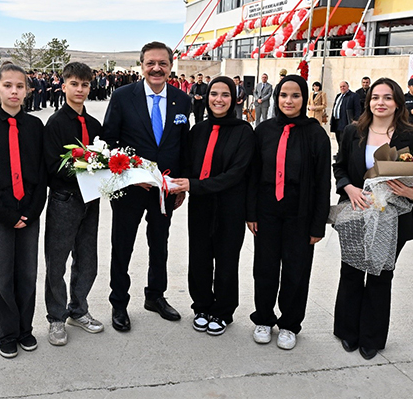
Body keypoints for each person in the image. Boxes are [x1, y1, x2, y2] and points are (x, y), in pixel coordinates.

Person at [333, 77, 413, 361]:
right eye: (375, 97)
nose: (380, 103)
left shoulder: (412, 136)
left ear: (397, 102)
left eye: (387, 97)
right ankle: (347, 330)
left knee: (381, 275)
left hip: (393, 217)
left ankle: (372, 338)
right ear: (368, 101)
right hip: (356, 212)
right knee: (351, 272)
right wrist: (348, 188)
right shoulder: (353, 131)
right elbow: (340, 167)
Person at [101, 41, 190, 332]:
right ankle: (119, 303)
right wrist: (129, 175)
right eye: (150, 63)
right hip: (130, 189)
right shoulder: (122, 96)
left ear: (171, 66)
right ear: (141, 65)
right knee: (122, 246)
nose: (156, 68)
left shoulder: (182, 100)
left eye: (162, 63)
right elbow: (109, 141)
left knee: (160, 245)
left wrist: (181, 184)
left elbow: (183, 144)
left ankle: (155, 296)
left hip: (165, 190)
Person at [247, 75, 331, 350]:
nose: (289, 101)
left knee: (296, 271)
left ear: (304, 99)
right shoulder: (264, 131)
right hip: (267, 212)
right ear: (276, 98)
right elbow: (253, 175)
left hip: (300, 214)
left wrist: (318, 225)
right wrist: (251, 213)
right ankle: (263, 318)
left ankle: (289, 324)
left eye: (295, 96)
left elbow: (323, 182)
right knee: (265, 268)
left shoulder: (316, 134)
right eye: (284, 95)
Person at [170, 76, 255, 336]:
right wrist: (180, 185)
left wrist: (194, 185)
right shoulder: (198, 130)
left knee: (227, 259)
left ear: (234, 98)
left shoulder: (244, 131)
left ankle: (223, 311)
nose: (219, 99)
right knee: (199, 257)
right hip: (201, 205)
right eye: (214, 94)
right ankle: (202, 306)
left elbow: (236, 173)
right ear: (206, 98)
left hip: (230, 206)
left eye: (225, 94)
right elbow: (188, 164)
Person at [0, 64, 46, 358]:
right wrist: (6, 214)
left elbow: (42, 173)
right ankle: (6, 332)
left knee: (27, 273)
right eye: (8, 86)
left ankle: (25, 329)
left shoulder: (35, 127)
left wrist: (32, 211)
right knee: (3, 273)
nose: (14, 91)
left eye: (19, 86)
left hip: (28, 211)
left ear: (27, 90)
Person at [44, 62, 104, 347]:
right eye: (74, 84)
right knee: (57, 262)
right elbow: (51, 166)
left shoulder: (94, 125)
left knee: (87, 259)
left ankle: (78, 309)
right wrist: (83, 168)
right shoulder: (55, 124)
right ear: (64, 85)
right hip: (64, 200)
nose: (80, 89)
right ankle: (56, 316)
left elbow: (104, 160)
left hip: (91, 200)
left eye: (85, 84)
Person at [330, 81, 361, 150]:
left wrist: (356, 119)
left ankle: (342, 153)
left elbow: (357, 108)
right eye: (341, 87)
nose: (342, 88)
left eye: (344, 86)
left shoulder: (353, 96)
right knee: (338, 138)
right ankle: (339, 152)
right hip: (336, 121)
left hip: (345, 121)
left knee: (344, 139)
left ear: (348, 87)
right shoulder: (338, 96)